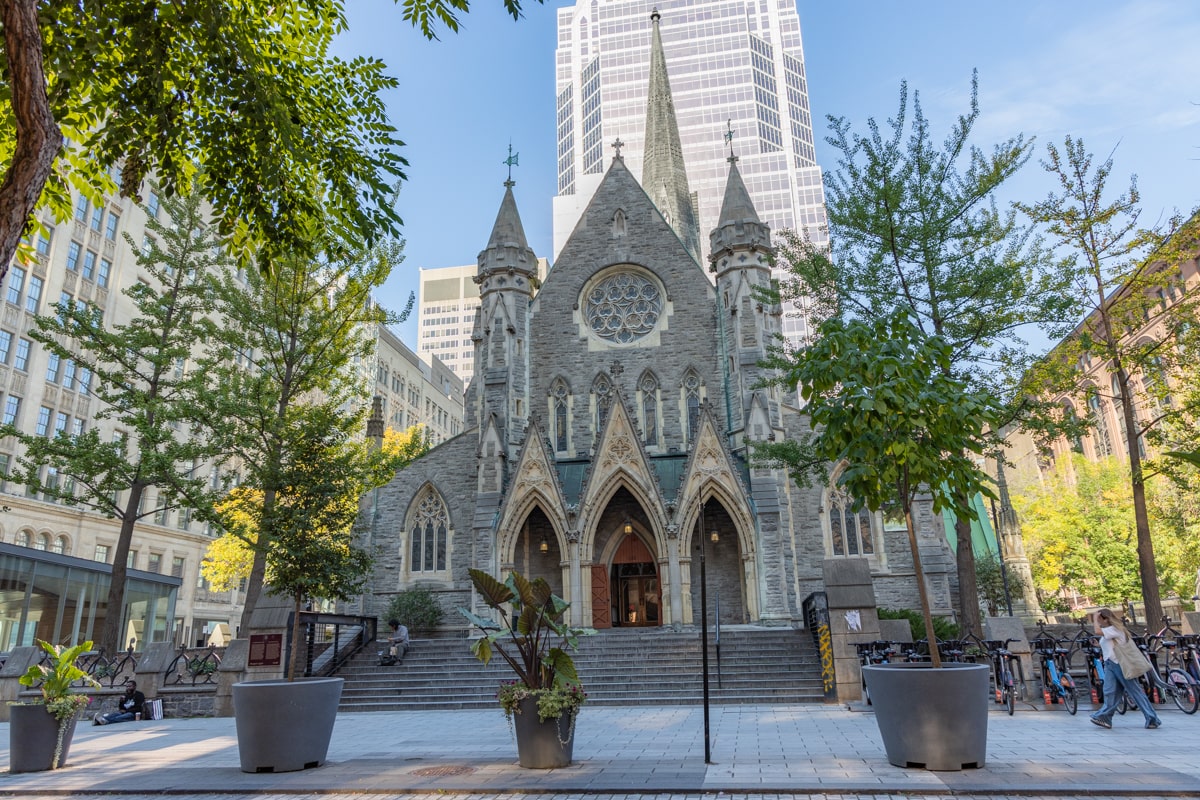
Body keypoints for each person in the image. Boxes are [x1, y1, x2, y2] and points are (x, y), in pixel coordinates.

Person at [1089, 608, 1162, 730]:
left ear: (1106, 619)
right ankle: (1104, 717)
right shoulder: (1110, 631)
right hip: (1110, 664)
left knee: (1134, 691)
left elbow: (1097, 630)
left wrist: (1095, 619)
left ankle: (1152, 718)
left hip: (1120, 664)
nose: (1098, 621)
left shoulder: (1115, 629)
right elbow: (1110, 645)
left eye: (1100, 619)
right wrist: (1098, 644)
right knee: (1110, 691)